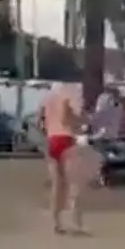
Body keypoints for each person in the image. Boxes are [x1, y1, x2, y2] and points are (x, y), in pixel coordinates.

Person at [40, 82, 88, 234]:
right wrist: (80, 122)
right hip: (65, 139)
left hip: (51, 140)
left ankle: (56, 222)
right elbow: (65, 119)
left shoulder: (46, 100)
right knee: (72, 183)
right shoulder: (65, 98)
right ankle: (76, 221)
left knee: (57, 185)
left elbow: (40, 122)